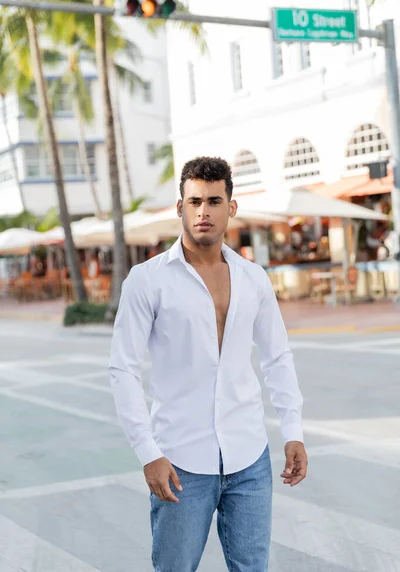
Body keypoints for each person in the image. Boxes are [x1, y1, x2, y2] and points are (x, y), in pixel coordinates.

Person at [109, 156, 307, 572]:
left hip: (248, 456)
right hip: (180, 461)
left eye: (214, 201)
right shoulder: (147, 281)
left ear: (230, 207)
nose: (204, 212)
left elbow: (277, 357)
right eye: (195, 201)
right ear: (179, 207)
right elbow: (123, 369)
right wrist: (148, 452)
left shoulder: (253, 278)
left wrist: (293, 430)